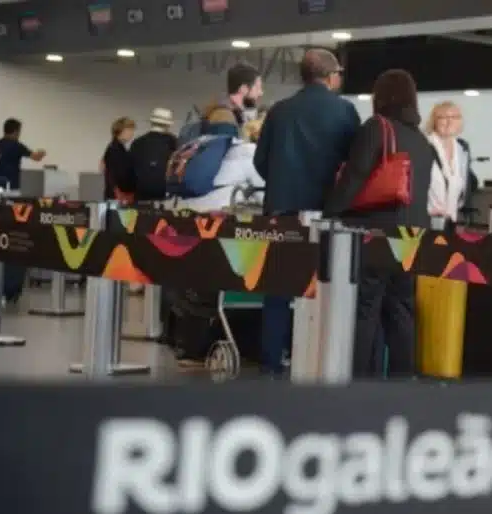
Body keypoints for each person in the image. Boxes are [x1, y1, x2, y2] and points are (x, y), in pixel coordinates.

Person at [253, 48, 360, 378]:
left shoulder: (279, 111)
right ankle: (317, 358)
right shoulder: (344, 111)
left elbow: (260, 162)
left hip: (282, 211)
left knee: (278, 289)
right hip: (326, 216)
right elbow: (355, 166)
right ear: (331, 76)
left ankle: (272, 361)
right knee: (325, 289)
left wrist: (284, 182)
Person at [325, 69, 435, 379]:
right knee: (401, 310)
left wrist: (331, 213)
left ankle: (359, 380)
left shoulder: (377, 128)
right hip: (412, 235)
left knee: (365, 309)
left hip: (376, 232)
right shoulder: (421, 139)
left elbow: (354, 178)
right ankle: (401, 381)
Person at [177, 106, 265, 212]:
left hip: (181, 212)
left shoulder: (194, 147)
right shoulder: (249, 152)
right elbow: (263, 198)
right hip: (214, 217)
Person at [424, 101, 479, 222]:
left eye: (454, 117)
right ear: (434, 121)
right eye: (443, 117)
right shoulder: (423, 146)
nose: (449, 121)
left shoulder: (462, 148)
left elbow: (467, 182)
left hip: (451, 220)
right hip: (425, 220)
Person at [129, 108, 179, 203]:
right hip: (164, 194)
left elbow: (130, 170)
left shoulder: (138, 142)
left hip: (140, 192)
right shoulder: (172, 142)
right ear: (168, 124)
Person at [0, 118, 46, 190]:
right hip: (12, 186)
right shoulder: (17, 146)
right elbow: (36, 157)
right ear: (15, 131)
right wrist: (42, 153)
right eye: (19, 131)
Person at [101, 117, 135, 202]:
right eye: (130, 130)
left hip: (116, 193)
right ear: (121, 130)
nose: (132, 133)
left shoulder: (116, 147)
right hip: (118, 195)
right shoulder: (115, 149)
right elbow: (116, 174)